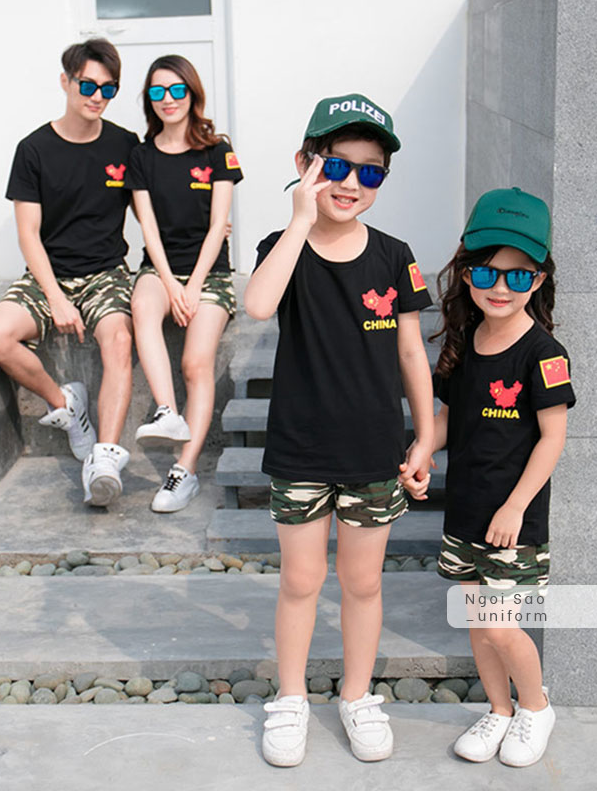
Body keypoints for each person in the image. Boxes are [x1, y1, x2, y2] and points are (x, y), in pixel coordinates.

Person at [244, 93, 435, 767]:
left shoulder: (394, 256)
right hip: (300, 450)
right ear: (306, 163)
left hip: (374, 452)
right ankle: (291, 698)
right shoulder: (282, 248)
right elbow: (257, 305)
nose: (352, 182)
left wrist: (426, 434)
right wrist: (299, 218)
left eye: (370, 171)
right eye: (337, 166)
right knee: (301, 581)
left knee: (363, 583)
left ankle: (357, 695)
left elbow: (411, 351)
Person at [401, 187, 575, 767]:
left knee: (501, 628)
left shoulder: (544, 353)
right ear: (466, 272)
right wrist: (422, 449)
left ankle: (536, 707)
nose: (500, 287)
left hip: (513, 523)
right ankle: (499, 710)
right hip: (466, 512)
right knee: (477, 622)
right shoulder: (466, 339)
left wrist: (516, 506)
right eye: (486, 272)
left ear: (539, 280)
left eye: (518, 275)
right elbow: (450, 417)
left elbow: (553, 438)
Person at [0, 39, 139, 507]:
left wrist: (208, 220)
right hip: (48, 273)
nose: (97, 96)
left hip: (106, 272)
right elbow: (28, 234)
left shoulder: (125, 144)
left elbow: (153, 208)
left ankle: (104, 458)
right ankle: (65, 405)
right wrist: (55, 297)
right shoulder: (33, 149)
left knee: (119, 338)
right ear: (65, 82)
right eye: (88, 85)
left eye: (108, 88)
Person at [128, 54, 243, 513]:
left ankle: (185, 470)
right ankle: (167, 412)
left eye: (177, 89)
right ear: (149, 100)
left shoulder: (218, 151)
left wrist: (193, 286)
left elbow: (218, 228)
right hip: (160, 269)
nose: (168, 99)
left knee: (196, 363)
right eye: (158, 91)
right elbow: (149, 230)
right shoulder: (140, 156)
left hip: (209, 273)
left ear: (193, 94)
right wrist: (170, 285)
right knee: (142, 306)